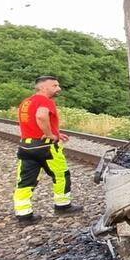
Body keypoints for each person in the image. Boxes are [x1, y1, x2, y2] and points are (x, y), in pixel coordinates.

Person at [12, 75, 83, 224]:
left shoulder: (26, 102)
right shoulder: (45, 101)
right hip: (45, 147)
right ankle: (63, 206)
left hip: (26, 146)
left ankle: (24, 215)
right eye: (55, 86)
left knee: (25, 180)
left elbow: (33, 121)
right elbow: (41, 117)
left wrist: (56, 132)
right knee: (61, 175)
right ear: (43, 87)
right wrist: (51, 135)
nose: (59, 89)